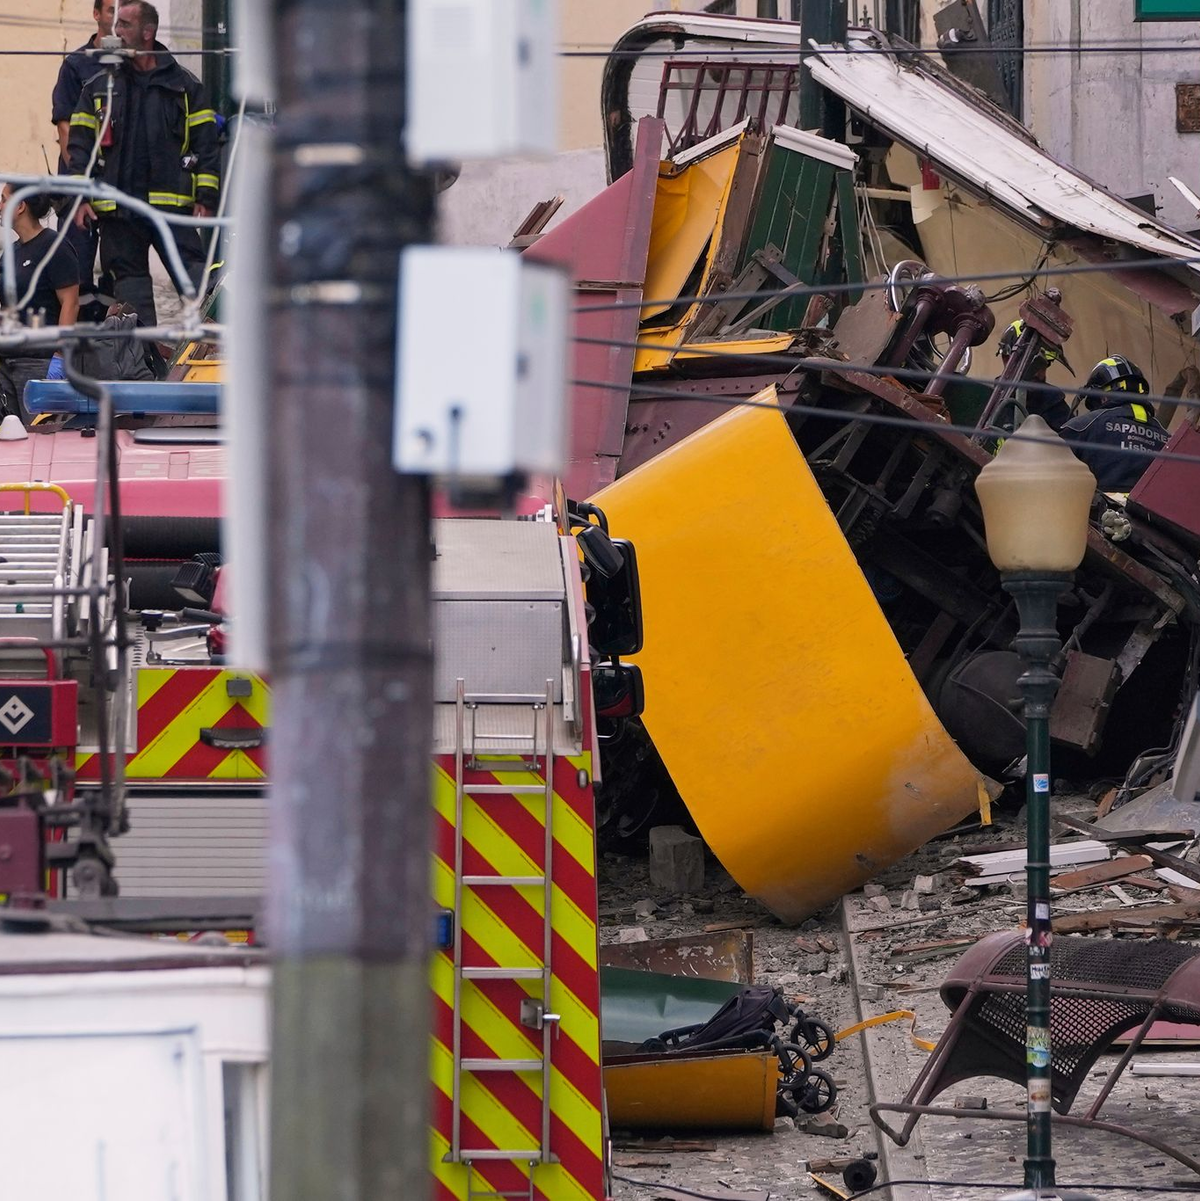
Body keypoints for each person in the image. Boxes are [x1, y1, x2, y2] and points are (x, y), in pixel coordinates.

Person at [67, 1, 219, 326]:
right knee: (132, 310)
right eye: (116, 24)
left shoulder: (185, 87)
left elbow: (207, 147)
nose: (116, 32)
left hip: (172, 210)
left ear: (147, 32)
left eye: (124, 25)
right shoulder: (98, 88)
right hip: (120, 213)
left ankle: (222, 351)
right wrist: (79, 197)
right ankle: (144, 368)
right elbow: (79, 149)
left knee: (200, 288)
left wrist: (206, 199)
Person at [50, 1, 116, 306]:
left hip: (118, 182)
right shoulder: (77, 65)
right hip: (82, 183)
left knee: (119, 272)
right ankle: (77, 343)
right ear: (97, 15)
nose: (117, 18)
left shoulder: (132, 62)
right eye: (111, 10)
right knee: (77, 268)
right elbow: (66, 129)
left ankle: (119, 344)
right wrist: (79, 186)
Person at [0, 186, 80, 418]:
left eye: (4, 200)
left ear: (21, 206)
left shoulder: (54, 247)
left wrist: (60, 357)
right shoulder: (11, 253)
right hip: (7, 361)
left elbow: (70, 303)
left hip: (38, 363)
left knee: (38, 438)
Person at [1061, 355, 1170, 492]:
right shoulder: (1169, 440)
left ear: (1102, 396)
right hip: (1149, 512)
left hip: (1090, 512)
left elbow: (1050, 472)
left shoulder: (1081, 427)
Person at [995, 318, 1072, 432]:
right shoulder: (985, 399)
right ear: (1006, 359)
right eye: (1030, 363)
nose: (1038, 372)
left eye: (1044, 364)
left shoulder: (1052, 402)